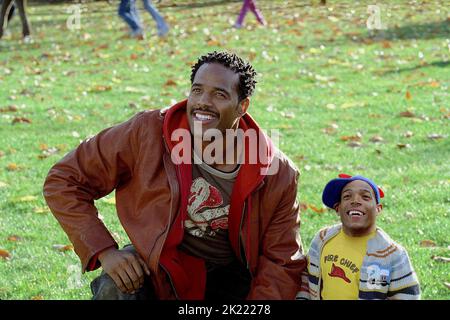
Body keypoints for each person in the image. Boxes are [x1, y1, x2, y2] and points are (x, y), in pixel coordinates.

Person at [43, 51, 306, 300]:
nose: (203, 101)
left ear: (242, 106)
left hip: (234, 277)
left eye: (219, 94)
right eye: (197, 90)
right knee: (115, 286)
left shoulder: (276, 171)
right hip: (160, 264)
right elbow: (65, 179)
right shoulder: (147, 132)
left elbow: (281, 259)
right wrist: (104, 251)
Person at [296, 174, 420, 300]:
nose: (355, 201)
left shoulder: (392, 254)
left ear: (378, 209)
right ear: (338, 208)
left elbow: (408, 296)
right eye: (347, 196)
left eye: (365, 197)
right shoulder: (322, 239)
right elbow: (307, 278)